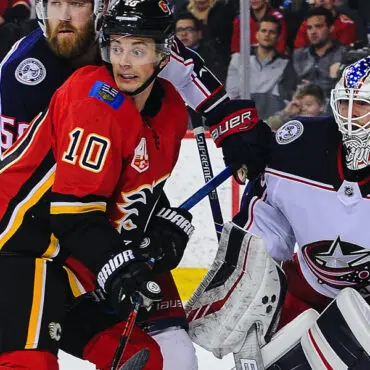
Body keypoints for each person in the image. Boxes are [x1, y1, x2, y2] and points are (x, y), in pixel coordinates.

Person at [0, 0, 200, 368]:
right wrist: (118, 263)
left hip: (71, 261)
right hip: (20, 247)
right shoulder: (93, 98)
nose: (123, 61)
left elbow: (128, 198)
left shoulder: (171, 110)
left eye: (137, 50)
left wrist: (158, 228)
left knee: (144, 358)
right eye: (116, 47)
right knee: (29, 364)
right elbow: (74, 216)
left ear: (163, 54)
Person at [0, 0, 266, 186]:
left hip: (116, 166)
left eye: (77, 4)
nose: (64, 16)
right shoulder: (22, 73)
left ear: (99, 8)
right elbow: (15, 171)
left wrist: (228, 124)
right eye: (55, 4)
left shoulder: (124, 40)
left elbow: (187, 73)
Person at [229, 54, 370, 364]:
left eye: (362, 105)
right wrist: (246, 277)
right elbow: (265, 226)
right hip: (306, 287)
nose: (349, 116)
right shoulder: (301, 147)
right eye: (344, 103)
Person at [226, 14, 297, 119]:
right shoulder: (238, 59)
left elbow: (285, 99)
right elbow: (232, 95)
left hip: (272, 120)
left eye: (272, 32)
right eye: (263, 31)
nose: (267, 35)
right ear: (257, 35)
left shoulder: (285, 63)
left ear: (278, 38)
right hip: (241, 117)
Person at [292, 6, 347, 98]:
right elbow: (289, 87)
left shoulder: (344, 55)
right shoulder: (298, 54)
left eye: (318, 26)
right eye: (309, 28)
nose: (313, 32)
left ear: (331, 28)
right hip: (302, 107)